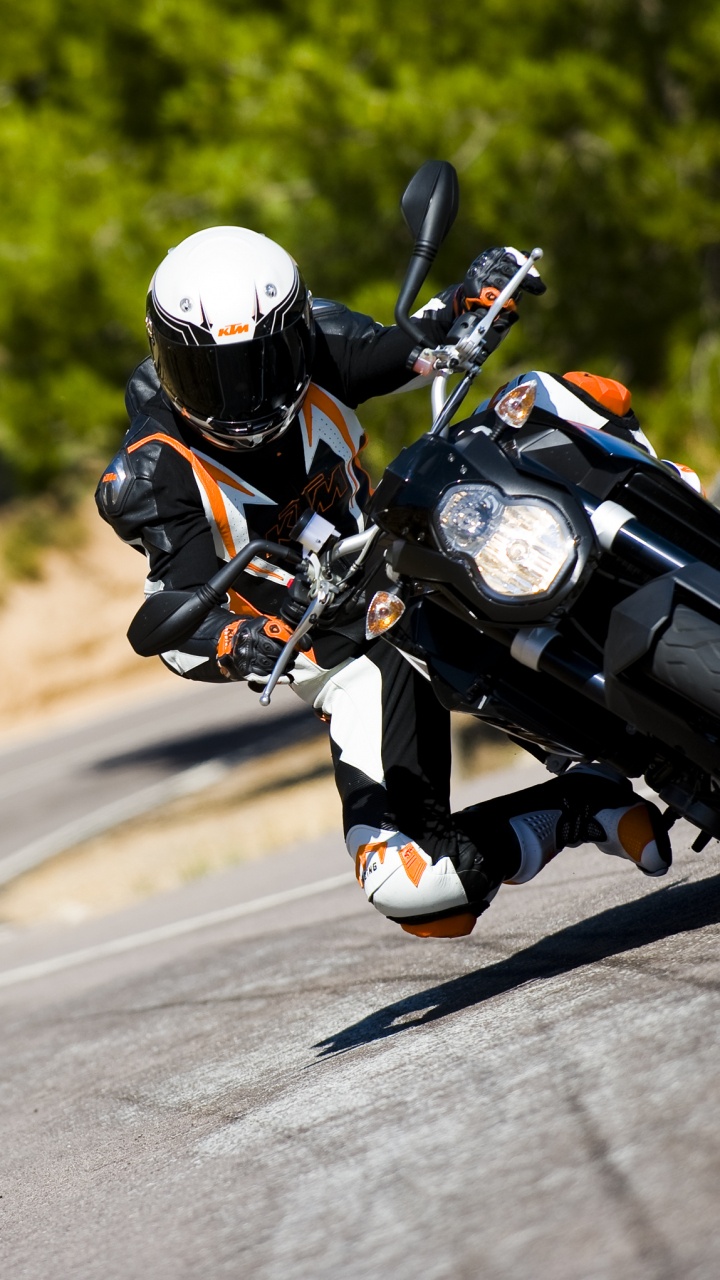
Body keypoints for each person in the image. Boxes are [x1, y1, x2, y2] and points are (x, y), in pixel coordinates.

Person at [96, 229, 671, 939]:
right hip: (333, 647)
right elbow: (174, 618)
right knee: (419, 894)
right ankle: (581, 805)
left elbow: (413, 346)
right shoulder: (150, 476)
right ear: (163, 358)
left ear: (295, 333)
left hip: (412, 555)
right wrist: (240, 638)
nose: (236, 397)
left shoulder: (319, 342)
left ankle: (679, 532)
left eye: (258, 366)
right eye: (206, 375)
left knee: (564, 397)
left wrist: (473, 296)